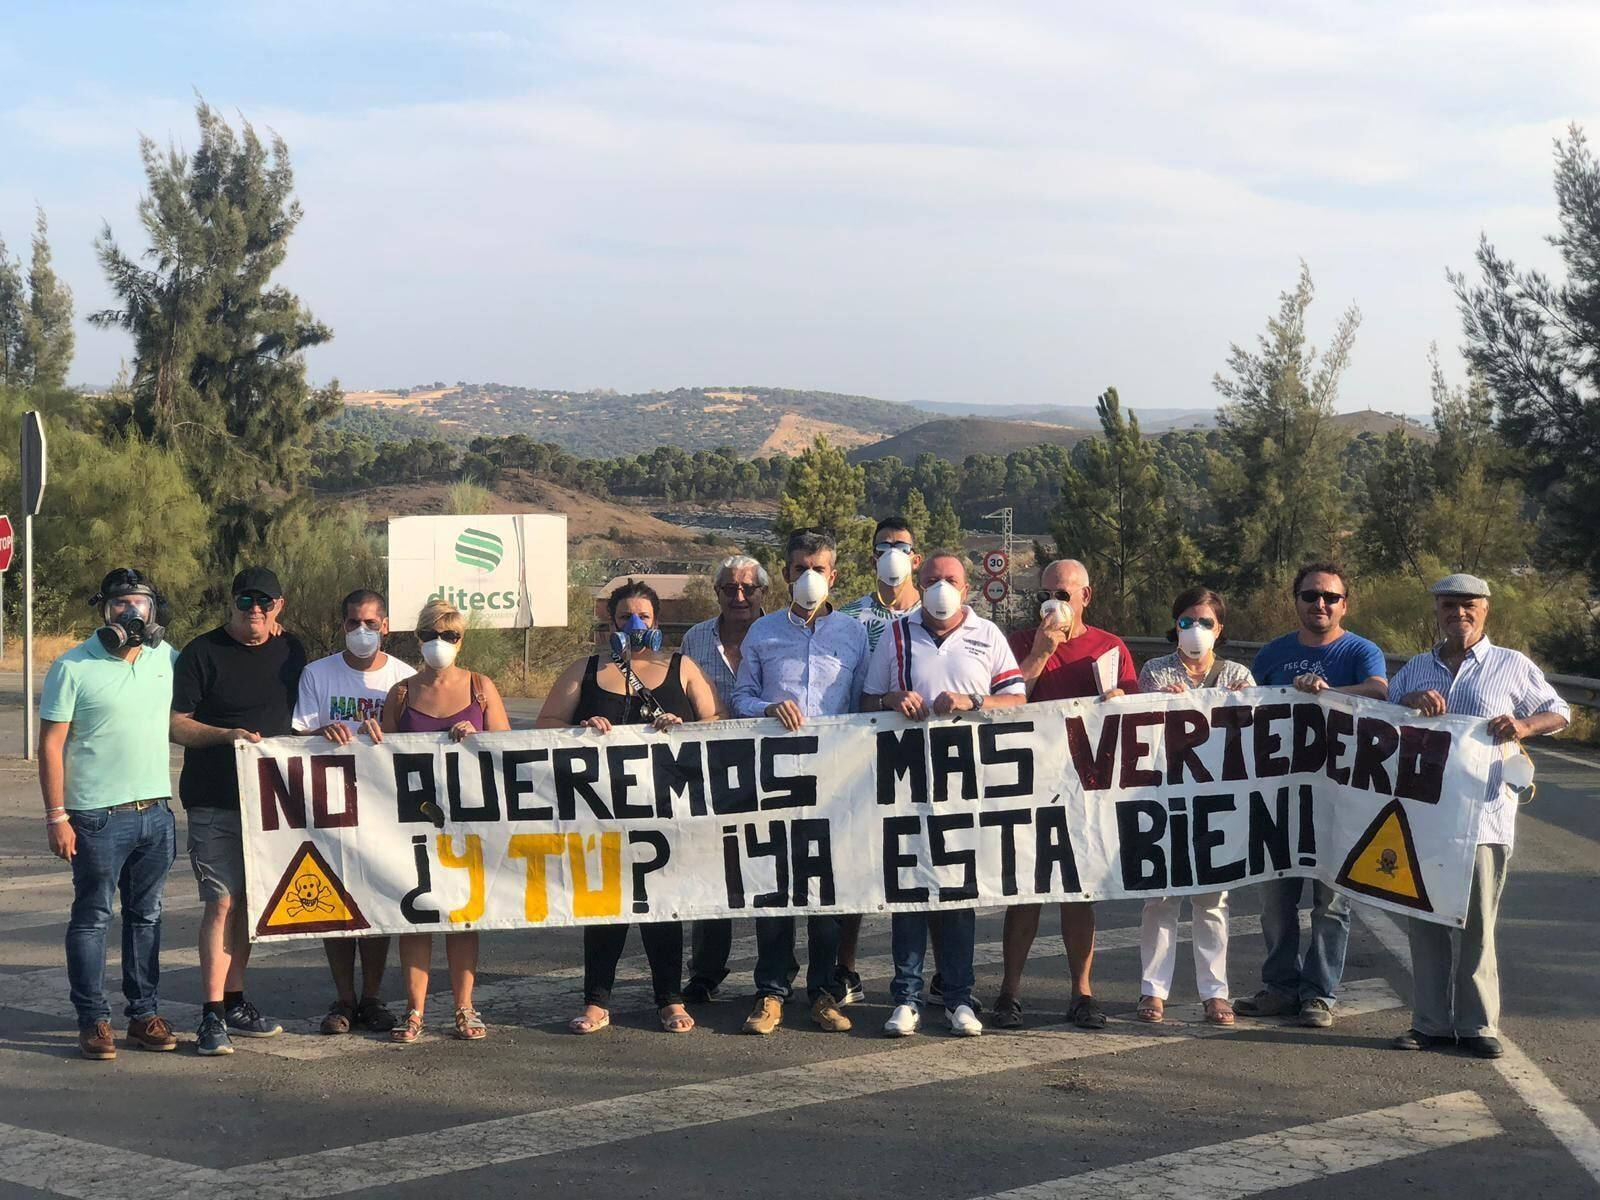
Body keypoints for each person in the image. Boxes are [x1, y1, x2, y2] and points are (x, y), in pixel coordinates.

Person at [1388, 574, 1568, 1059]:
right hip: (1422, 818)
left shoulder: (1512, 666)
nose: (1459, 614)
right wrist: (1407, 702)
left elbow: (1560, 711)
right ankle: (1428, 1023)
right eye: (1449, 606)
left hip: (1484, 818)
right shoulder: (1415, 670)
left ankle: (1477, 1025)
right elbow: (1379, 717)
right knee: (1424, 923)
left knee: (1476, 925)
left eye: (1469, 606)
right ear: (1437, 612)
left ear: (1486, 610)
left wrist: (1524, 725)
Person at [541, 580, 721, 1036]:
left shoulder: (681, 667)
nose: (635, 624)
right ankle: (596, 1001)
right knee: (608, 907)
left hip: (666, 809)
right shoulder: (585, 668)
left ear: (657, 622)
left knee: (663, 907)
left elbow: (717, 721)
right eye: (625, 617)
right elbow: (546, 722)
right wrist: (583, 726)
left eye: (643, 615)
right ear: (611, 622)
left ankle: (670, 999)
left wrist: (683, 727)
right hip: (603, 811)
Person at [864, 551, 1026, 1037]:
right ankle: (907, 997)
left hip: (967, 784)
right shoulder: (895, 634)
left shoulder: (988, 635)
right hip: (907, 781)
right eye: (932, 579)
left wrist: (973, 701)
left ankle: (959, 997)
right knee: (910, 890)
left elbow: (1017, 699)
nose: (940, 588)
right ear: (919, 579)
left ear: (967, 584)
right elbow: (867, 700)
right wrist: (895, 698)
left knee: (957, 891)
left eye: (950, 579)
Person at [729, 529, 870, 1035]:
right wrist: (767, 706)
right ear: (786, 573)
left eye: (819, 569)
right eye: (800, 568)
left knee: (828, 891)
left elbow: (862, 706)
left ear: (833, 576)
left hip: (836, 780)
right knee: (775, 888)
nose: (809, 577)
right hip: (776, 778)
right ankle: (770, 992)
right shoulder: (762, 633)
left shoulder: (853, 635)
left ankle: (825, 992)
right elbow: (739, 698)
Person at [1237, 562, 1389, 1029]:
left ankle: (1319, 994)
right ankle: (1280, 988)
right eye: (1310, 596)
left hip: (1339, 800)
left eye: (1330, 597)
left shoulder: (1360, 651)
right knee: (1275, 901)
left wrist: (1326, 692)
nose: (1319, 604)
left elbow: (1379, 692)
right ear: (1296, 600)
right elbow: (1245, 710)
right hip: (1279, 797)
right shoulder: (1272, 653)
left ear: (1345, 604)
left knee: (1332, 903)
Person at [39, 569, 181, 1060]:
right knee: (93, 917)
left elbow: (192, 714)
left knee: (147, 917)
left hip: (157, 812)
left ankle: (143, 1014)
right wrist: (57, 816)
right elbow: (51, 745)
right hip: (96, 817)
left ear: (153, 609)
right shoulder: (72, 666)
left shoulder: (168, 658)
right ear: (105, 609)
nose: (131, 612)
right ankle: (93, 1020)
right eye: (120, 603)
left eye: (140, 602)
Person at [170, 567, 306, 1056]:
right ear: (231, 602)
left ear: (279, 607)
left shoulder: (293, 651)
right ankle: (209, 1015)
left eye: (265, 602)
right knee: (221, 902)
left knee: (249, 905)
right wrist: (224, 737)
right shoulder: (201, 653)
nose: (255, 609)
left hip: (271, 804)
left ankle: (234, 1000)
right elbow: (176, 724)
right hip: (214, 797)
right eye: (246, 600)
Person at [996, 558, 1136, 1031]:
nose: (1053, 604)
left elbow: (1137, 715)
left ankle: (1082, 992)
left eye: (1063, 595)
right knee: (1026, 893)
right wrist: (1038, 652)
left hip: (1085, 788)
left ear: (1085, 598)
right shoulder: (1018, 642)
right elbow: (1005, 703)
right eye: (1045, 596)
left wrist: (1120, 704)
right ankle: (1009, 991)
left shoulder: (1110, 648)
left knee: (1079, 893)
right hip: (1029, 783)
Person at [380, 599, 511, 1044]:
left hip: (468, 819)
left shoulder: (480, 687)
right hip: (413, 821)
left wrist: (479, 738)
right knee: (416, 915)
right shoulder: (401, 692)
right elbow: (381, 759)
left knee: (461, 914)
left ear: (462, 639)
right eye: (431, 636)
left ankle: (463, 1006)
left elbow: (510, 748)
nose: (441, 644)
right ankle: (414, 1010)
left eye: (450, 636)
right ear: (417, 639)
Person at [291, 588, 415, 1035]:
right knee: (337, 902)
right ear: (341, 625)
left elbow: (414, 739)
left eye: (369, 623)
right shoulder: (316, 674)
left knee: (378, 900)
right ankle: (343, 997)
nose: (361, 632)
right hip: (329, 803)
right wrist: (323, 731)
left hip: (383, 806)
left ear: (385, 625)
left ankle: (372, 997)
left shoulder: (405, 678)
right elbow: (295, 734)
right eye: (352, 623)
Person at [1134, 587, 1254, 1027]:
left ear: (1219, 629)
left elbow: (1251, 730)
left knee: (1212, 900)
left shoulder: (1239, 674)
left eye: (1205, 622)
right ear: (1175, 626)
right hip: (1164, 797)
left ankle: (1215, 993)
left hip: (1218, 801)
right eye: (1187, 621)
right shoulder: (1155, 671)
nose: (1196, 630)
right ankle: (1153, 991)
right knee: (1159, 898)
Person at [833, 515, 924, 1002]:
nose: (892, 552)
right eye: (884, 545)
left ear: (917, 558)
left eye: (902, 545)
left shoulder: (939, 615)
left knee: (921, 863)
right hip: (859, 757)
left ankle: (921, 974)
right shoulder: (848, 618)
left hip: (921, 758)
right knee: (853, 863)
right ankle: (845, 968)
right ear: (872, 556)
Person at [678, 555, 767, 1004]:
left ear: (763, 594)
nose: (739, 597)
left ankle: (775, 979)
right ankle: (705, 972)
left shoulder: (781, 635)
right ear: (716, 593)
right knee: (713, 873)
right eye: (729, 588)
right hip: (710, 772)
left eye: (748, 589)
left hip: (771, 771)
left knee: (774, 873)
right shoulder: (694, 639)